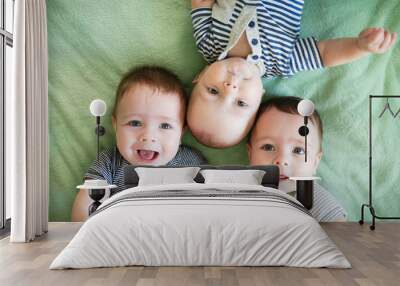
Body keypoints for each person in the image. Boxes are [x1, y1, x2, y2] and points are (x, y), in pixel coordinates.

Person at [187, 0, 397, 148]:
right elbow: (324, 53)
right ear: (259, 95)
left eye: (213, 91)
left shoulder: (207, 45)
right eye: (241, 103)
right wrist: (360, 46)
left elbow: (201, 3)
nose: (230, 88)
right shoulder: (283, 63)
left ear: (200, 75)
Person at [71, 66, 207, 221]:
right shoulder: (110, 163)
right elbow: (86, 203)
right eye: (135, 123)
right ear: (115, 125)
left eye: (165, 126)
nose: (148, 137)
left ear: (181, 133)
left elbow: (208, 202)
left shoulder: (190, 163)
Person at [247, 96, 347, 222]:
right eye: (268, 147)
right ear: (250, 154)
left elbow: (339, 235)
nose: (282, 160)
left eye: (298, 150)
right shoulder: (238, 189)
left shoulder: (316, 202)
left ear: (315, 162)